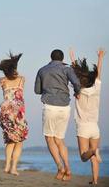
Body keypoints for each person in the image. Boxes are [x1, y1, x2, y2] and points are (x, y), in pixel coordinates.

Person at [34, 49, 81, 181]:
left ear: (51, 57)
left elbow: (37, 91)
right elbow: (77, 83)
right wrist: (77, 93)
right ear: (62, 58)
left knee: (49, 138)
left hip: (50, 106)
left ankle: (60, 166)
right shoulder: (67, 69)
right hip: (65, 107)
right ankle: (68, 168)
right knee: (59, 139)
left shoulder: (42, 70)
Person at [69, 48, 105, 185]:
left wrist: (72, 60)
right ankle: (95, 180)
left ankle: (94, 150)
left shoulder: (79, 90)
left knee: (85, 156)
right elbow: (98, 75)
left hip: (83, 128)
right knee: (93, 157)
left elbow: (76, 76)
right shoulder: (97, 89)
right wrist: (100, 58)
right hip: (95, 128)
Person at [0, 53, 28, 176]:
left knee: (10, 140)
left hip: (4, 110)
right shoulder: (21, 79)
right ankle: (13, 168)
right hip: (17, 112)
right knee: (19, 141)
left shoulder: (2, 80)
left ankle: (7, 166)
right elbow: (18, 77)